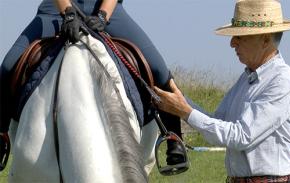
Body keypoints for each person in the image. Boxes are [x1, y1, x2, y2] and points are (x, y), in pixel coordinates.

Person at [0, 0, 184, 168]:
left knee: (159, 69)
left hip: (107, 9)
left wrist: (103, 16)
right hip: (54, 10)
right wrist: (68, 12)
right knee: (7, 66)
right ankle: (1, 135)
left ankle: (174, 138)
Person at [154, 0, 290, 182]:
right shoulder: (248, 79)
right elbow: (218, 122)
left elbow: (240, 136)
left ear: (265, 39)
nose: (232, 43)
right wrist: (181, 101)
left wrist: (184, 111)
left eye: (240, 37)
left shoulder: (283, 82)